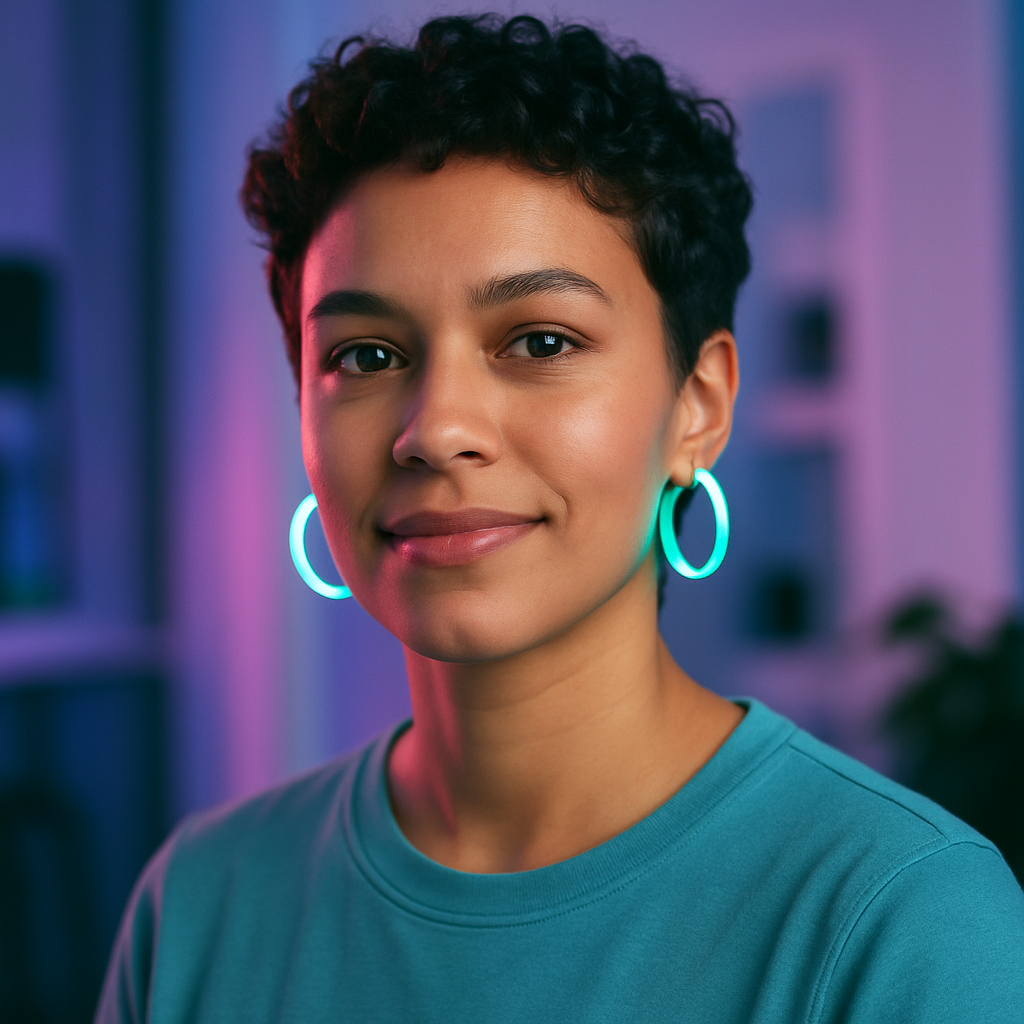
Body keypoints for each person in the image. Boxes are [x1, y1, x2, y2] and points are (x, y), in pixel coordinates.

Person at [96, 14, 1024, 1023]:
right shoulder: (198, 905)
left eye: (539, 341)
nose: (435, 430)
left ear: (698, 406)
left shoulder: (906, 922)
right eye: (365, 355)